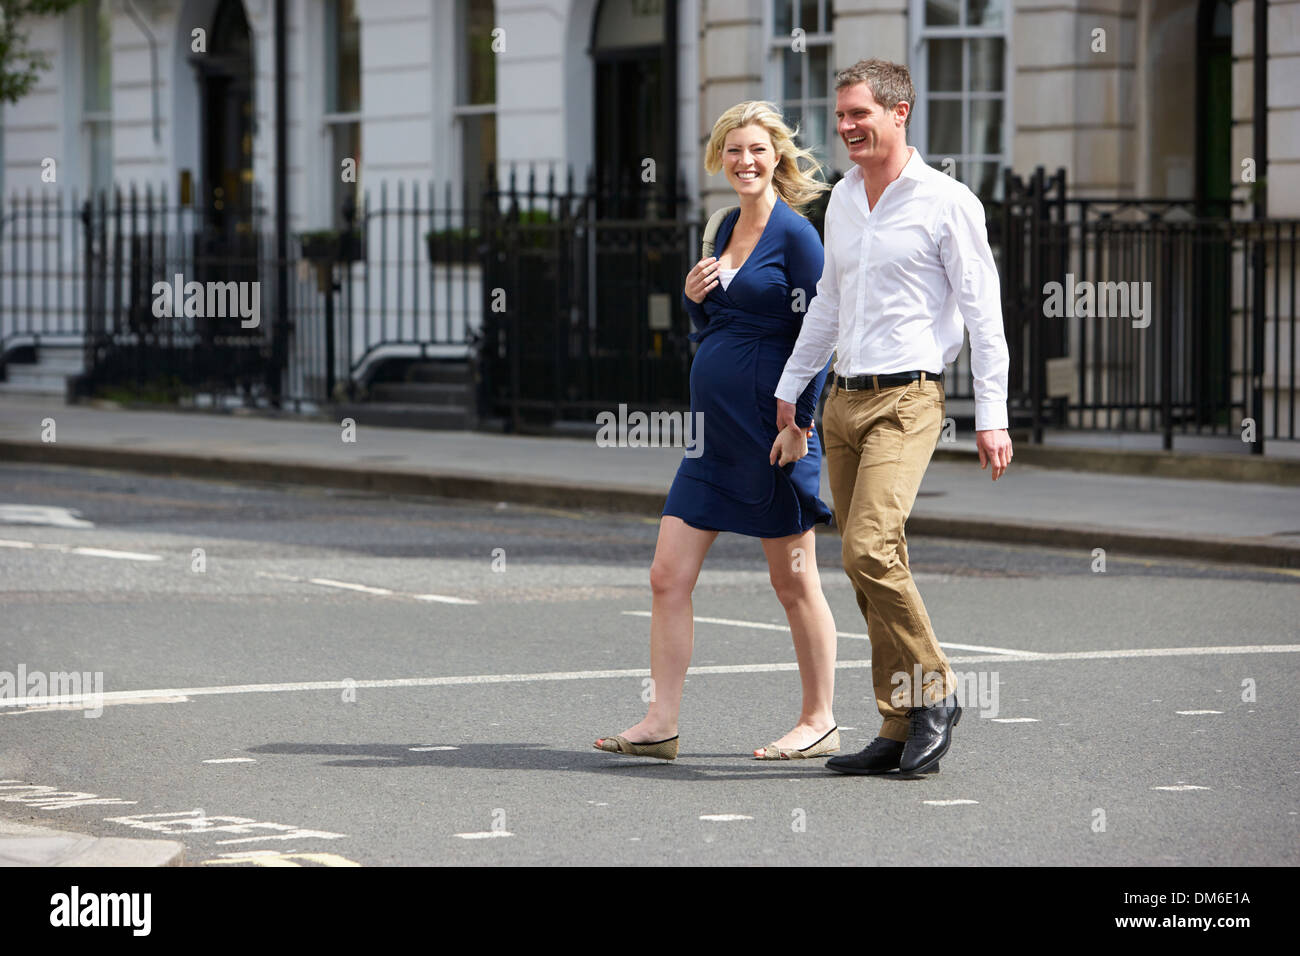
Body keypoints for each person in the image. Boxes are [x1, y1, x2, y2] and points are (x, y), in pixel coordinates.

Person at [772, 59, 1013, 777]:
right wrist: (794, 386)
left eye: (858, 115)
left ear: (900, 112)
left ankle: (935, 691)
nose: (845, 128)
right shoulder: (844, 199)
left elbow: (983, 315)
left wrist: (993, 416)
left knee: (871, 547)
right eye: (840, 116)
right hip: (842, 397)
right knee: (865, 567)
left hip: (908, 398)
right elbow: (829, 305)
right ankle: (897, 720)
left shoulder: (947, 201)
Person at [594, 101, 839, 762]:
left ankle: (819, 717)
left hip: (774, 432)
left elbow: (821, 335)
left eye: (757, 149)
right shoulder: (722, 225)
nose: (746, 161)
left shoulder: (797, 237)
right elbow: (713, 332)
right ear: (720, 158)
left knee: (792, 581)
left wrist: (803, 425)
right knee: (666, 576)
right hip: (710, 436)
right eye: (734, 150)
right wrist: (695, 303)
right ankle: (660, 720)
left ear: (778, 156)